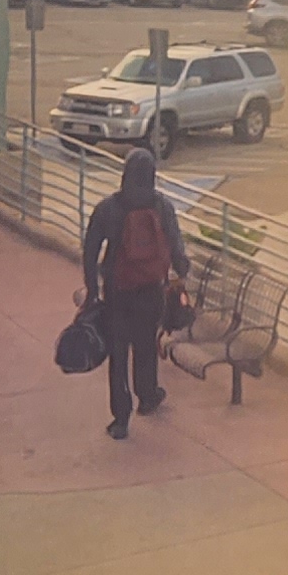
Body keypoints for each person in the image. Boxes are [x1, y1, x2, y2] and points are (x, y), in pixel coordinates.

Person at [79, 147, 189, 439]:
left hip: (118, 292)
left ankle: (120, 419)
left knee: (118, 354)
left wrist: (92, 290)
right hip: (151, 291)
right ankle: (148, 396)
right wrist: (181, 274)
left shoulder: (108, 209)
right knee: (145, 346)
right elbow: (178, 251)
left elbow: (90, 252)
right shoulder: (163, 207)